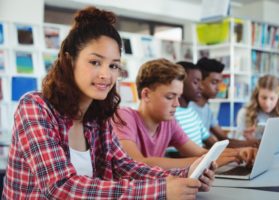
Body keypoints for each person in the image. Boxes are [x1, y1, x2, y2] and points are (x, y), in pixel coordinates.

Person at [2, 7, 216, 199]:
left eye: (114, 66)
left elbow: (126, 166)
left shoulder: (98, 117)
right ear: (69, 60)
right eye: (95, 62)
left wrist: (183, 177)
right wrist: (162, 190)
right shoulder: (35, 106)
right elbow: (61, 187)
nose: (106, 74)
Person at [113, 59, 255, 170]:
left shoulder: (169, 123)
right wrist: (206, 161)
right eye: (170, 97)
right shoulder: (124, 117)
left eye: (178, 96)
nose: (177, 104)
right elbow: (137, 163)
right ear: (146, 94)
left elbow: (200, 152)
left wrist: (239, 153)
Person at [189, 57, 259, 148]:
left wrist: (253, 143)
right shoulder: (189, 108)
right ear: (200, 81)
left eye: (219, 83)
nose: (218, 88)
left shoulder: (207, 109)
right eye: (214, 82)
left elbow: (223, 139)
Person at [237, 75, 279, 145]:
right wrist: (248, 139)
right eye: (264, 98)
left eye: (272, 98)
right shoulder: (244, 113)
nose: (267, 103)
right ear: (256, 95)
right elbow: (238, 141)